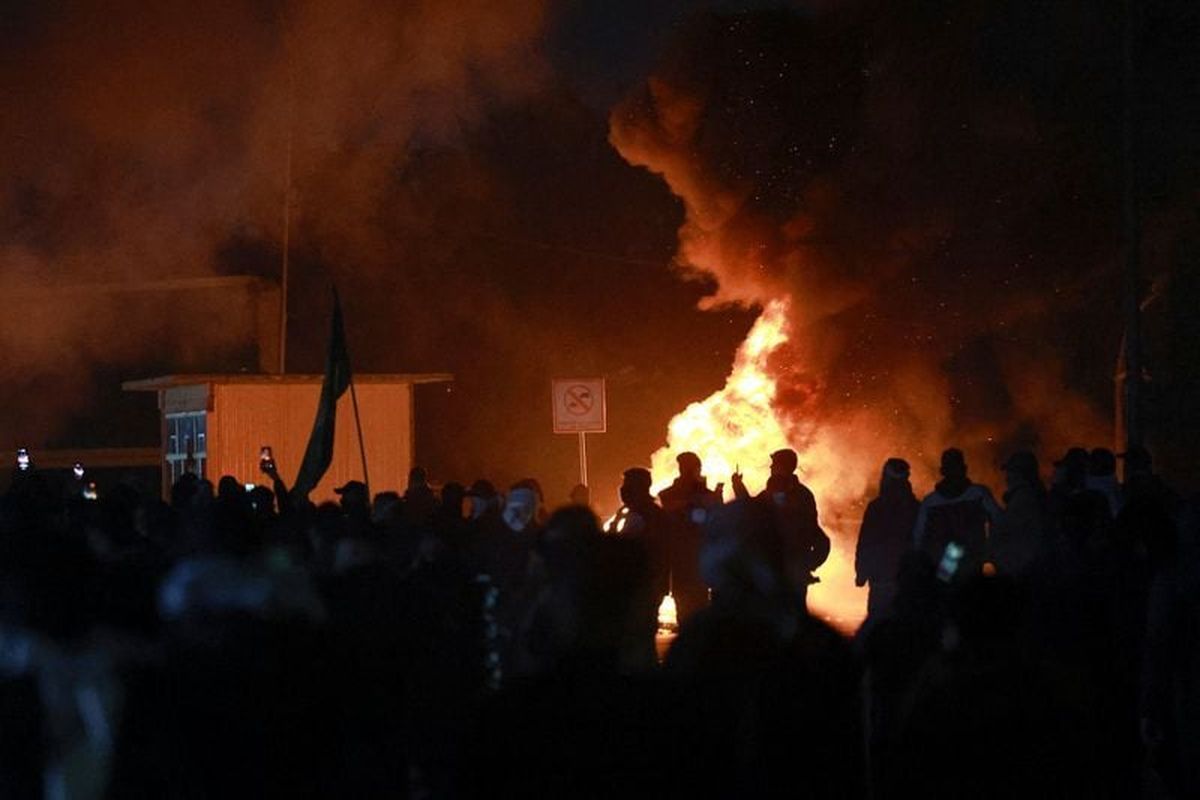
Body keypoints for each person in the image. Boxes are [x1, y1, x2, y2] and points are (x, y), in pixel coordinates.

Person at [912, 448, 1000, 582]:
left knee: (947, 592)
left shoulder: (931, 502)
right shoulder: (978, 494)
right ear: (964, 468)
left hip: (944, 568)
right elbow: (999, 521)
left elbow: (918, 537)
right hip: (972, 563)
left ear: (942, 471)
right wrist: (990, 553)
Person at [658, 452, 722, 622]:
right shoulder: (671, 494)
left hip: (696, 559)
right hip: (683, 558)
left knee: (697, 606)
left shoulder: (704, 495)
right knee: (688, 607)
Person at [855, 458, 919, 619]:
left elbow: (866, 542)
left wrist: (862, 572)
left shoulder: (877, 507)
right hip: (907, 579)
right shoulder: (916, 507)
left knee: (879, 623)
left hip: (883, 578)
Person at [990, 450, 1048, 580]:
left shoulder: (1023, 499)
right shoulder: (1033, 495)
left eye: (1010, 472)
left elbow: (1011, 533)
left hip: (1022, 571)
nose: (1006, 477)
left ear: (1020, 474)